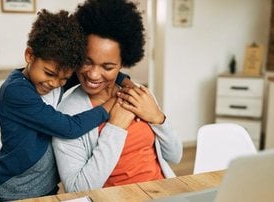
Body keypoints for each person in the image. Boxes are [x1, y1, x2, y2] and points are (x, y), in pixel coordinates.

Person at [0, 9, 132, 201]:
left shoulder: (58, 75)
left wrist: (125, 82)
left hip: (47, 188)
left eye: (64, 78)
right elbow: (69, 127)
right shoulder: (16, 92)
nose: (54, 83)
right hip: (16, 191)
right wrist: (110, 105)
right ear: (30, 55)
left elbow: (92, 74)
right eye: (49, 73)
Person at [52, 0, 183, 193]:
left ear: (123, 64)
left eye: (107, 67)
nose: (93, 74)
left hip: (164, 194)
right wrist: (115, 127)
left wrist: (157, 118)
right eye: (86, 61)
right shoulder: (67, 115)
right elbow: (76, 188)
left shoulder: (139, 94)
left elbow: (175, 156)